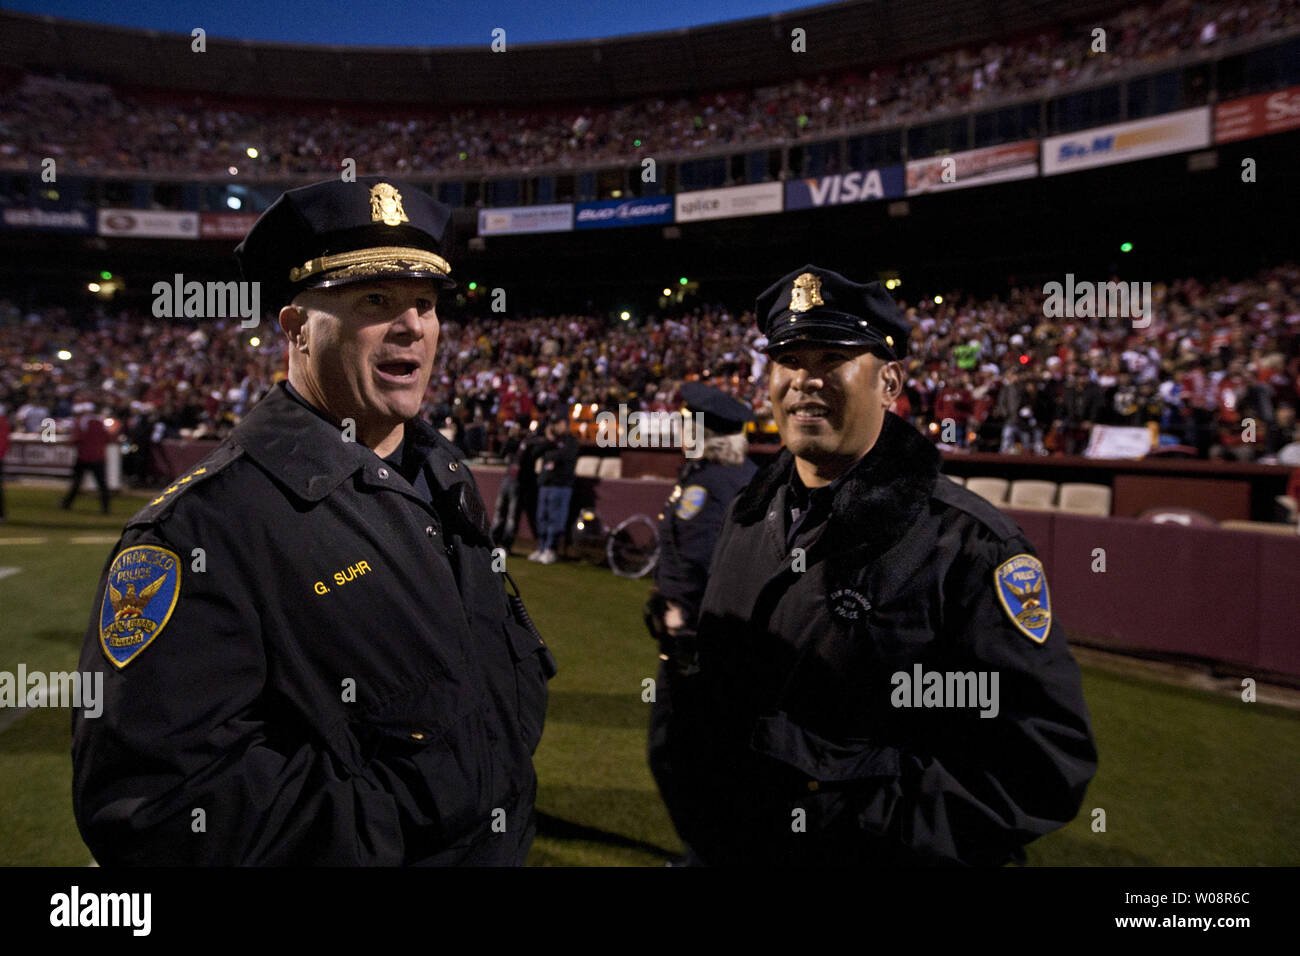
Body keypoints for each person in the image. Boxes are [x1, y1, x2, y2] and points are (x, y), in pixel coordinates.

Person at [72, 177, 556, 866]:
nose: (412, 325)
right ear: (296, 331)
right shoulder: (201, 529)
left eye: (425, 302)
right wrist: (409, 825)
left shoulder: (443, 476)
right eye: (376, 301)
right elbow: (157, 807)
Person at [655, 264, 1098, 866]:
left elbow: (1043, 760)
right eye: (788, 361)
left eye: (830, 359)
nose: (803, 382)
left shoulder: (967, 542)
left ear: (888, 382)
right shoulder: (747, 515)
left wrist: (855, 827)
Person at [644, 381, 757, 859]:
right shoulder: (747, 476)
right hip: (729, 641)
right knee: (711, 757)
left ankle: (706, 853)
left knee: (672, 751)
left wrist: (677, 613)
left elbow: (704, 563)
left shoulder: (707, 485)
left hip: (696, 642)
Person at [530, 415, 578, 565]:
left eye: (559, 423)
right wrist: (549, 442)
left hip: (560, 485)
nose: (556, 427)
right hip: (546, 484)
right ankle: (542, 547)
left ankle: (551, 549)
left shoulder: (571, 441)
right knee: (542, 517)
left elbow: (564, 457)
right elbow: (535, 453)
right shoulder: (550, 442)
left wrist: (552, 455)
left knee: (555, 518)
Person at [60, 402, 112, 514]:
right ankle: (105, 507)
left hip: (84, 456)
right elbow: (108, 438)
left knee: (76, 482)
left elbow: (76, 438)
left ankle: (67, 503)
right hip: (99, 457)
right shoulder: (101, 421)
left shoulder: (82, 421)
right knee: (102, 484)